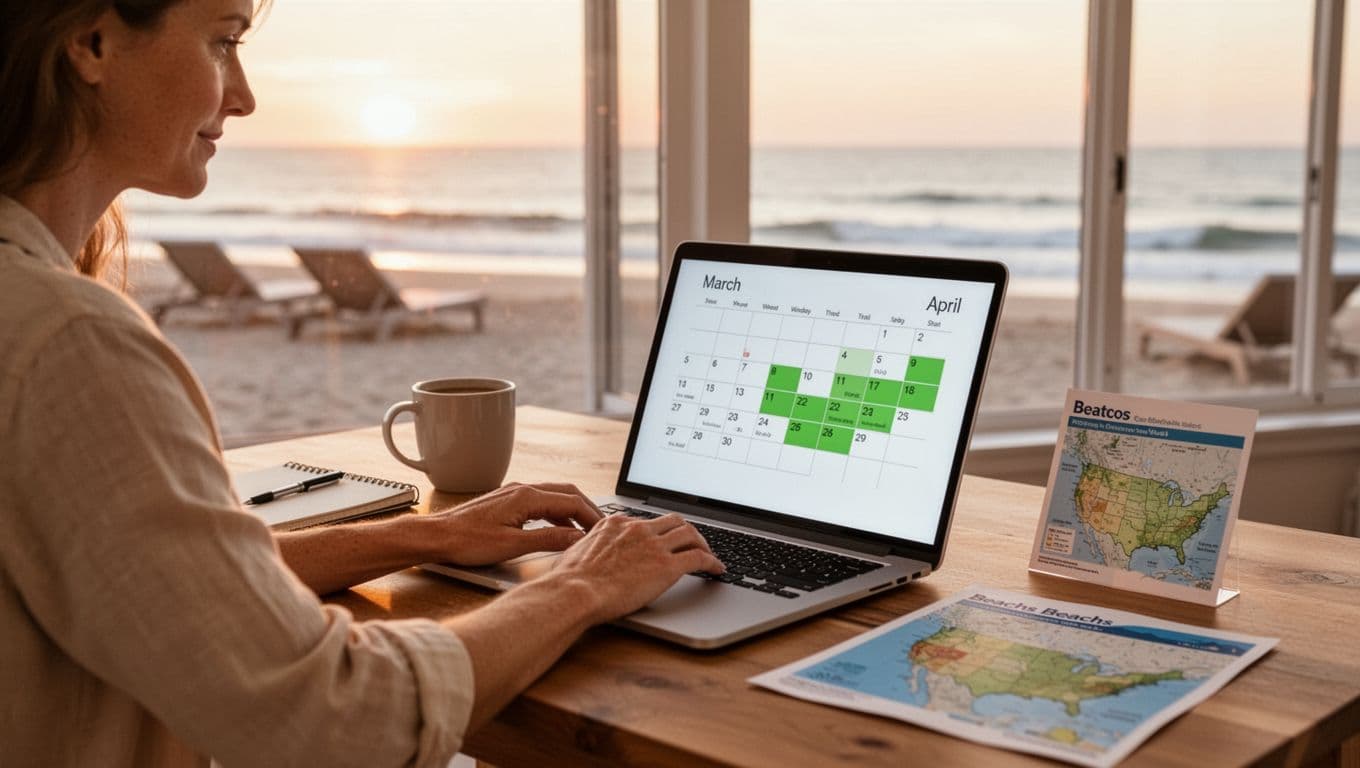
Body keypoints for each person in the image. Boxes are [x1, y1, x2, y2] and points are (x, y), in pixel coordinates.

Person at [0, 1, 724, 765]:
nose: (241, 95)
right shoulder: (68, 345)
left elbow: (165, 587)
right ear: (91, 41)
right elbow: (331, 719)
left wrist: (430, 535)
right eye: (222, 42)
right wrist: (581, 585)